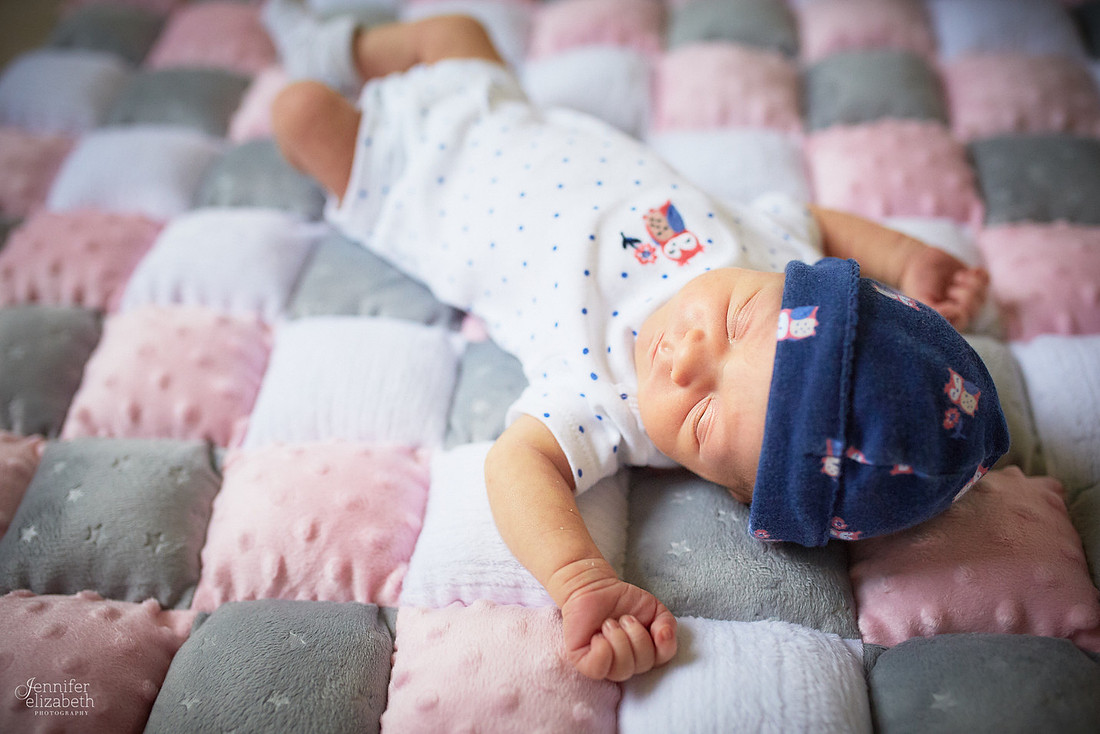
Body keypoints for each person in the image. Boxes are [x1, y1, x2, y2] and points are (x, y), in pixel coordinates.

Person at [265, 8, 1010, 683]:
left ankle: (316, 57)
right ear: (793, 281)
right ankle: (340, 45)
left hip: (410, 184)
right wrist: (910, 260)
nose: (686, 360)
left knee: (299, 114)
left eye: (706, 419)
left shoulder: (610, 402)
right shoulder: (758, 251)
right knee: (456, 30)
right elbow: (816, 219)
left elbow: (517, 464)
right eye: (738, 323)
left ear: (734, 488)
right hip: (505, 113)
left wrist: (579, 578)